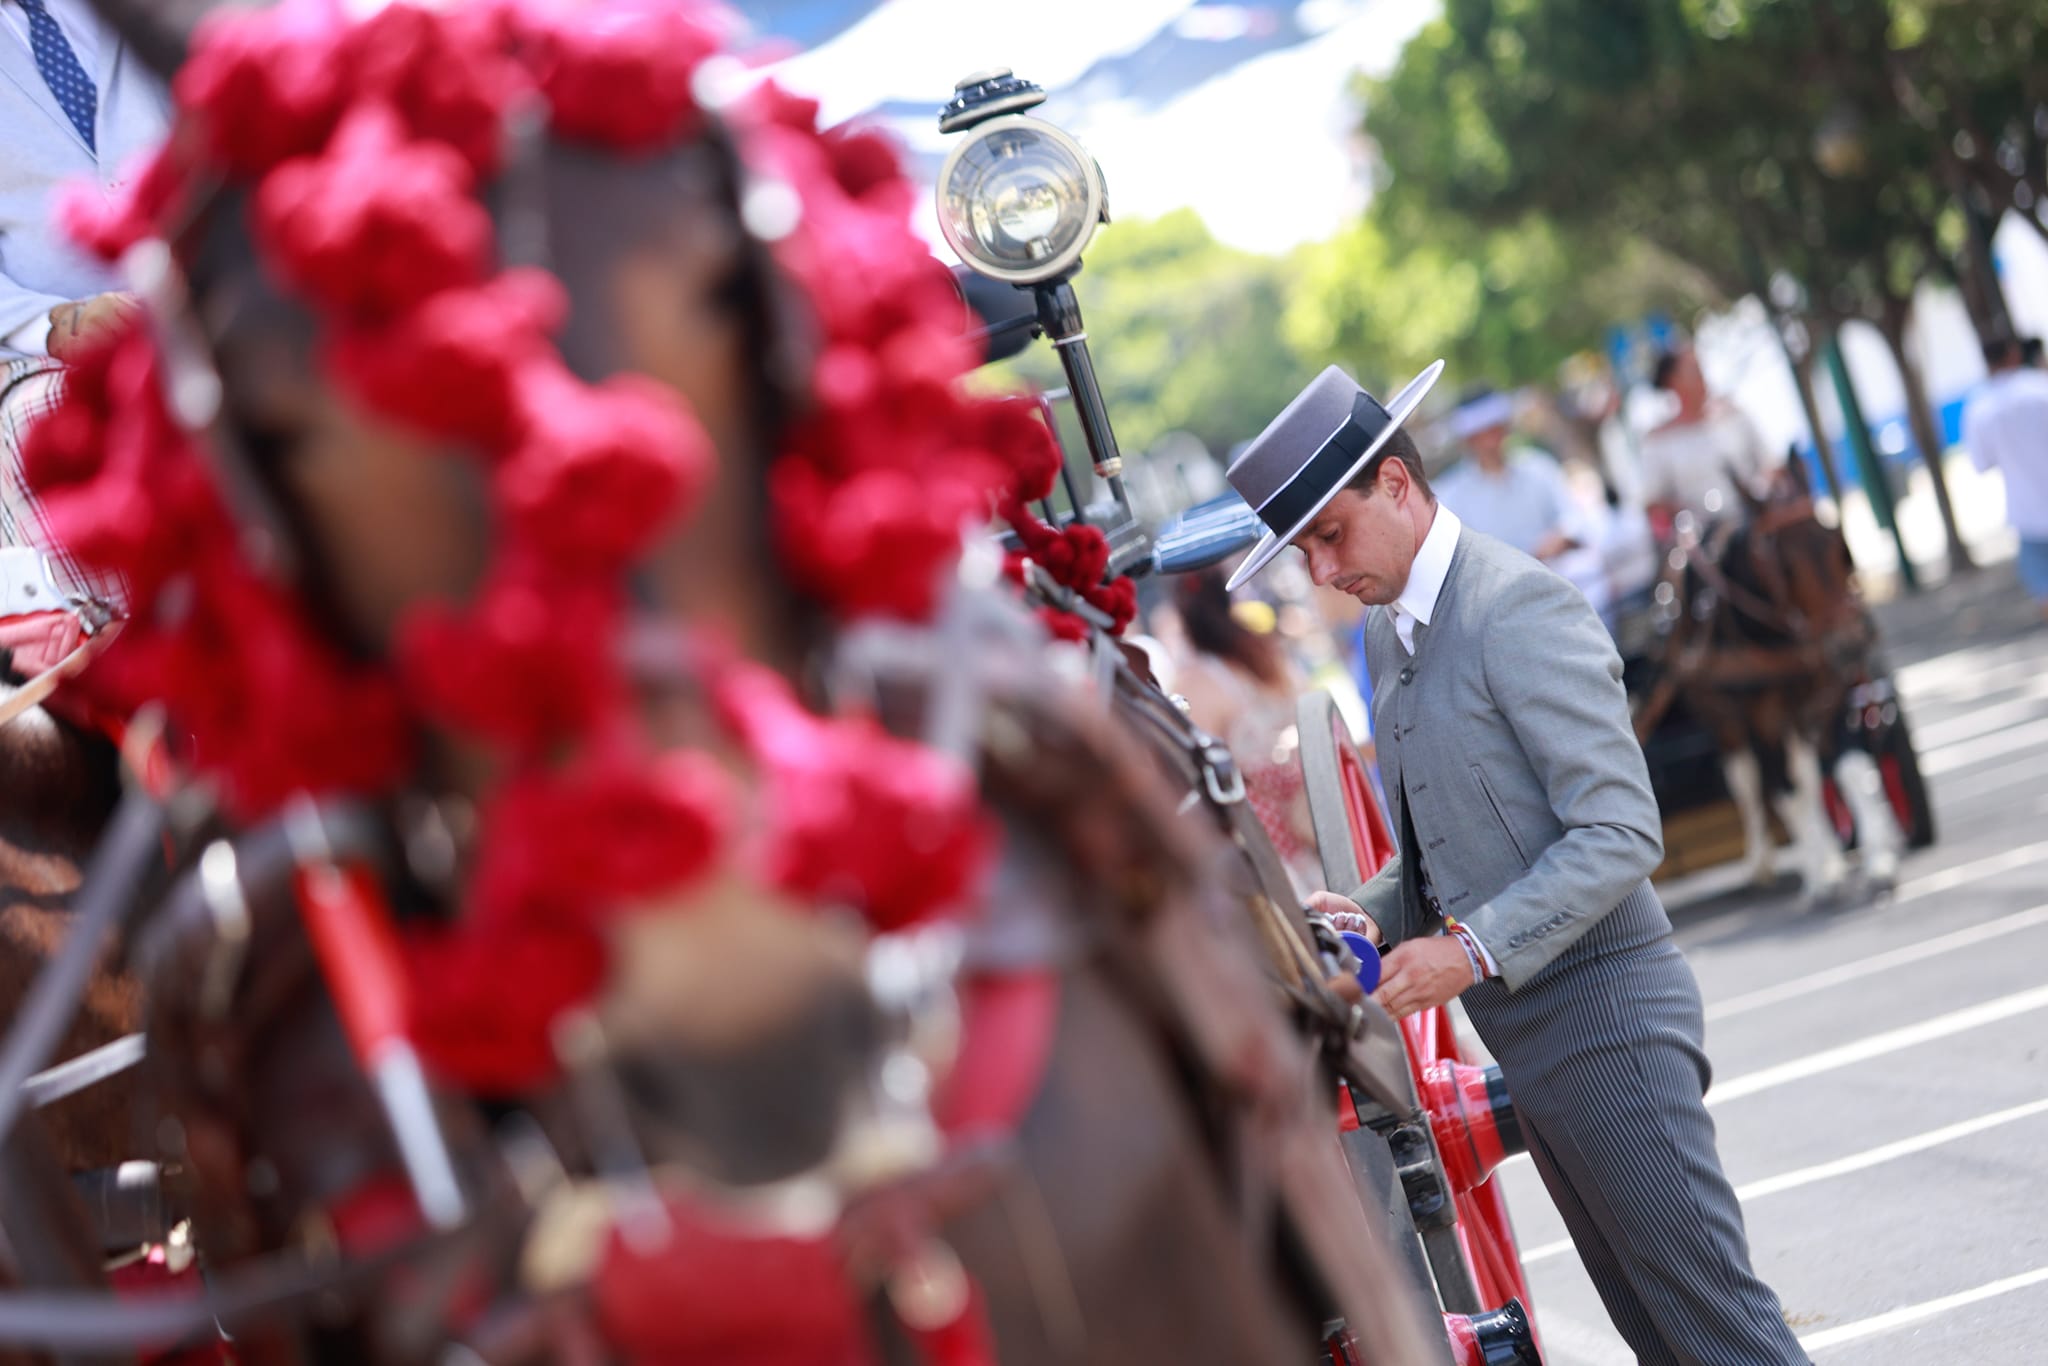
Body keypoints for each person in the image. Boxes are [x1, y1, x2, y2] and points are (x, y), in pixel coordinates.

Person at [1226, 363, 1811, 1365]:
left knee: (1721, 1335)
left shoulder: (1516, 606)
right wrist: (1366, 914)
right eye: (1302, 548)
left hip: (1609, 1025)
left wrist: (1464, 952)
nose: (1319, 569)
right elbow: (1437, 856)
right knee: (1663, 1337)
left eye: (1329, 532)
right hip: (1537, 1043)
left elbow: (1621, 830)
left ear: (1399, 486)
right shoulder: (1388, 633)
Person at [1, 0, 169, 604]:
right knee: (48, 424)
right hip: (46, 343)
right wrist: (55, 325)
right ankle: (143, 669)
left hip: (222, 278)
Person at [1166, 569, 1321, 892]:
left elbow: (1193, 785)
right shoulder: (1266, 655)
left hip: (1276, 865)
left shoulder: (1198, 684)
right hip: (1322, 832)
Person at [1638, 345, 1776, 535]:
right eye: (1694, 371)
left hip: (1760, 516)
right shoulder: (1659, 441)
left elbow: (1770, 462)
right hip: (1706, 536)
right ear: (1673, 381)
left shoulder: (1733, 416)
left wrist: (1762, 486)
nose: (1702, 376)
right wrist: (1689, 514)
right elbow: (1653, 501)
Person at [1962, 336, 2048, 622]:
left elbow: (1981, 463)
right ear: (2013, 354)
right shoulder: (2040, 387)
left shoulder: (1980, 408)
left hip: (2027, 513)